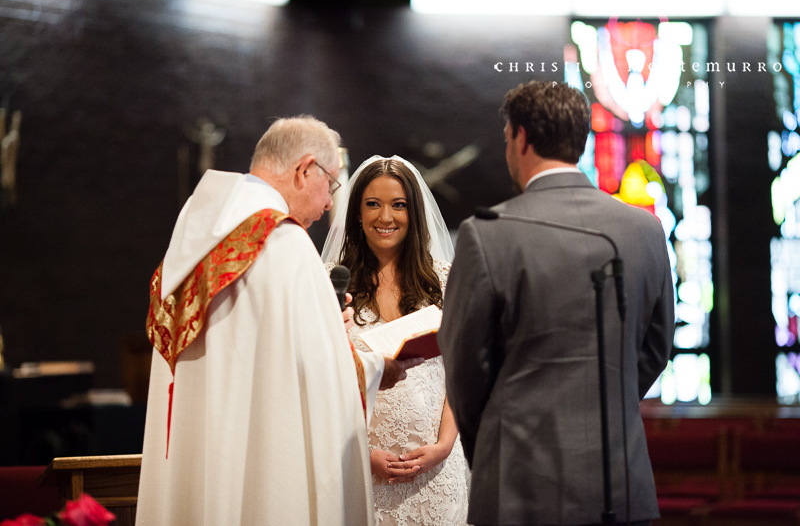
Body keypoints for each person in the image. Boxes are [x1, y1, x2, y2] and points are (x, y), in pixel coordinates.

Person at [137, 116, 418, 526]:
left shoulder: (196, 235)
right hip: (258, 456)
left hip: (202, 449)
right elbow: (321, 373)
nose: (326, 206)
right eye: (331, 187)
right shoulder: (282, 242)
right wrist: (380, 367)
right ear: (306, 171)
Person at [438, 81, 674, 526]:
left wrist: (493, 442)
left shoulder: (488, 233)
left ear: (521, 137)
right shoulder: (644, 229)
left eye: (507, 137)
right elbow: (656, 348)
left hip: (519, 485)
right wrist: (607, 403)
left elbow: (463, 363)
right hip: (618, 480)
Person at [321, 155, 469, 526]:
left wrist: (444, 446)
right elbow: (322, 380)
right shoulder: (330, 282)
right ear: (356, 212)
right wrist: (364, 455)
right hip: (360, 466)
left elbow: (461, 373)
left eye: (398, 205)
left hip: (437, 471)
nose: (385, 217)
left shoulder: (445, 280)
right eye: (373, 204)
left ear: (414, 213)